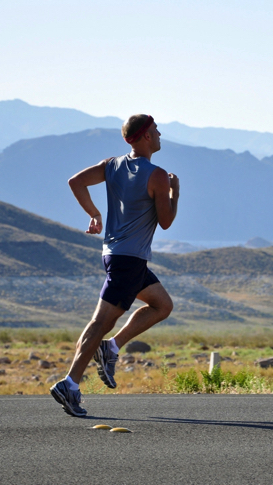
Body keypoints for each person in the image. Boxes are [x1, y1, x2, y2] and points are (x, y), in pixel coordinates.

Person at [50, 114, 179, 417]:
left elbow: (76, 181)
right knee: (100, 322)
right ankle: (69, 384)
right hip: (129, 260)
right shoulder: (157, 175)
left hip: (117, 255)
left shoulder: (112, 165)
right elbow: (166, 221)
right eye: (156, 131)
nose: (160, 135)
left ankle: (112, 347)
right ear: (146, 136)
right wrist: (175, 192)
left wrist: (94, 213)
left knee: (162, 305)